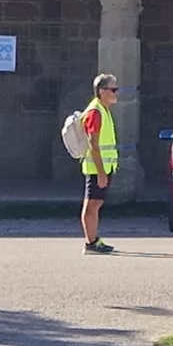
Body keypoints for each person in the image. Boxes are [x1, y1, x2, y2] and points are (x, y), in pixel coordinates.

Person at [69, 74, 123, 254]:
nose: (117, 93)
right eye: (113, 90)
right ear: (102, 91)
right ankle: (91, 243)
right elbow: (94, 144)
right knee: (92, 204)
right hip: (96, 168)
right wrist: (100, 172)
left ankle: (94, 240)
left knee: (96, 203)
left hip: (103, 167)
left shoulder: (102, 109)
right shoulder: (95, 112)